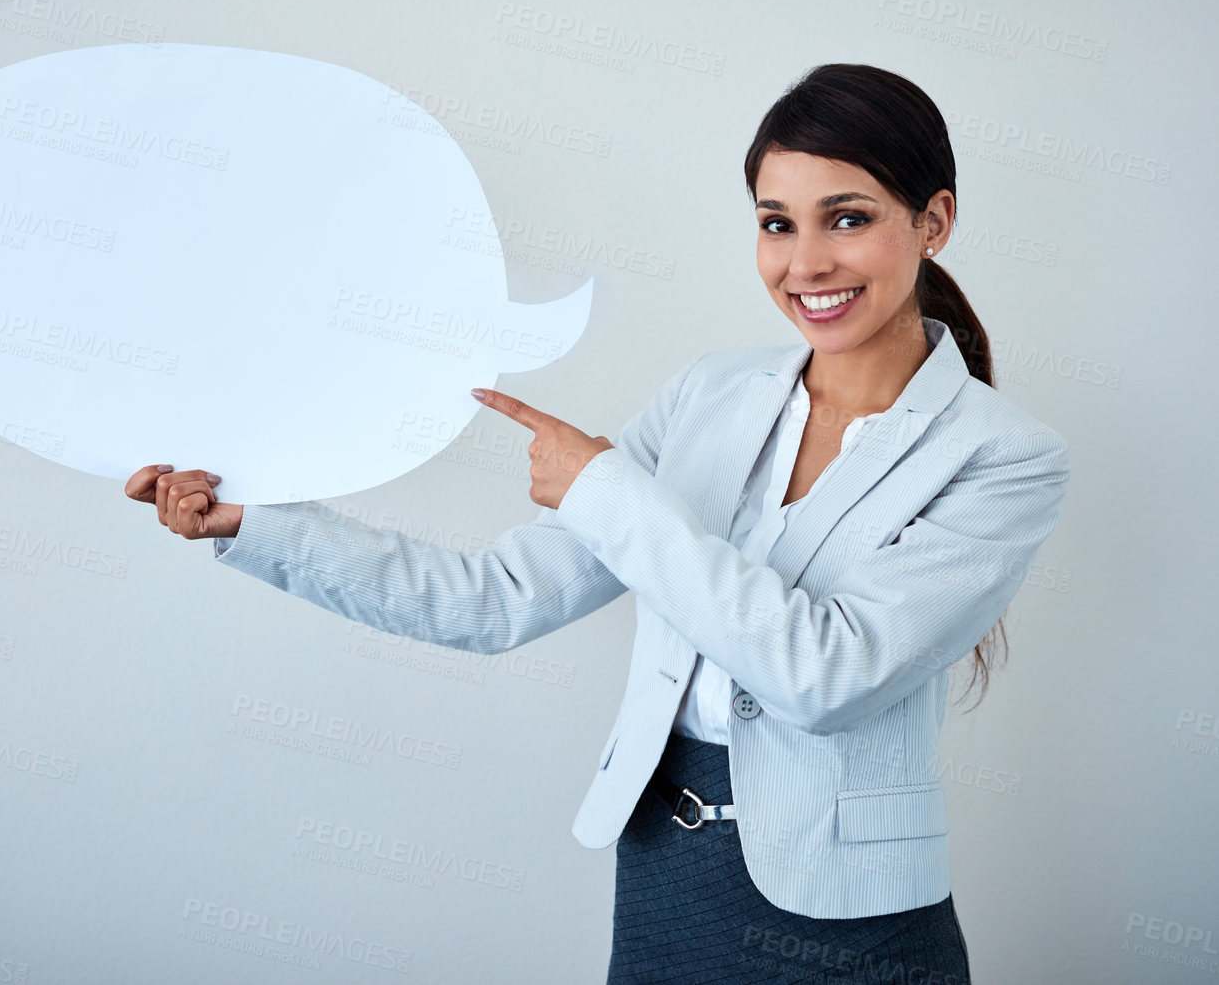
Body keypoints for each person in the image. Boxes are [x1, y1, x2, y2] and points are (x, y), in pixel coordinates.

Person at [124, 63, 1069, 983]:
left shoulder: (1003, 457)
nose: (805, 262)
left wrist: (606, 489)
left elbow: (826, 677)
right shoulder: (709, 396)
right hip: (664, 871)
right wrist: (251, 526)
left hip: (853, 921)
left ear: (933, 223)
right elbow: (490, 602)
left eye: (848, 219)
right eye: (776, 224)